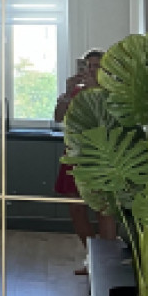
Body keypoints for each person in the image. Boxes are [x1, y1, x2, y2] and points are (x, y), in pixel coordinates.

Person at [54, 48, 118, 257]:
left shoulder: (113, 93)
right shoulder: (76, 93)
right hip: (74, 153)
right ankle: (92, 260)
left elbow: (113, 123)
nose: (91, 70)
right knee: (76, 209)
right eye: (88, 66)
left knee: (103, 210)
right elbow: (58, 117)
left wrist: (96, 91)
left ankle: (106, 264)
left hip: (101, 156)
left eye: (96, 66)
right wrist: (67, 92)